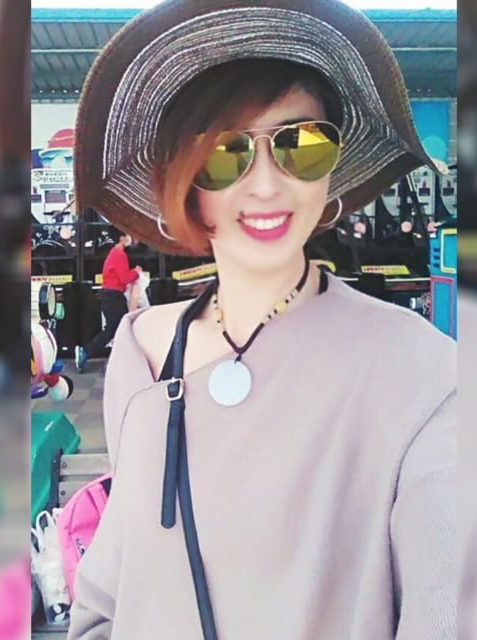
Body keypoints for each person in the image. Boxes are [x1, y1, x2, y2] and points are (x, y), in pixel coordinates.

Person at [68, 1, 456, 638]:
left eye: (302, 146)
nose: (268, 186)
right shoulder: (140, 353)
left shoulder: (423, 375)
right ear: (184, 179)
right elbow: (111, 592)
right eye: (226, 154)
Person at [74, 233, 139, 373]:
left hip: (110, 296)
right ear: (122, 238)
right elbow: (124, 278)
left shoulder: (113, 254)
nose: (135, 240)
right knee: (120, 327)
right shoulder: (120, 254)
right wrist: (136, 272)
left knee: (115, 328)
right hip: (114, 296)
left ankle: (90, 353)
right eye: (132, 236)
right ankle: (86, 352)